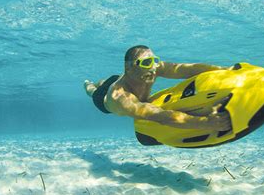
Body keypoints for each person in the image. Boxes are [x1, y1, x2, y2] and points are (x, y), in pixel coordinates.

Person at [84, 45, 232, 131]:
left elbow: (184, 70)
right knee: (93, 91)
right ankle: (88, 83)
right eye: (147, 62)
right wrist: (205, 123)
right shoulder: (121, 98)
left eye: (155, 61)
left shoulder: (151, 69)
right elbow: (158, 116)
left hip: (120, 78)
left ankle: (100, 82)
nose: (154, 68)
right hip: (103, 100)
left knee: (107, 81)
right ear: (129, 67)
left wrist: (222, 70)